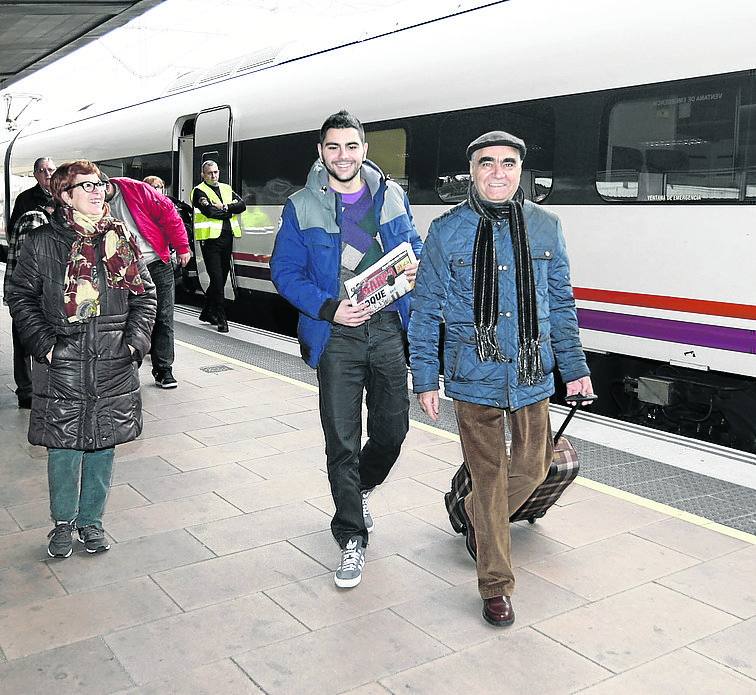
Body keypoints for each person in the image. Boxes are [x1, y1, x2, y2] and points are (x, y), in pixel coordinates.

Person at [408, 131, 594, 627]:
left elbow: (561, 303)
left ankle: (475, 512)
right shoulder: (447, 231)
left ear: (520, 170)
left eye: (508, 163)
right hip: (474, 373)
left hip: (531, 372)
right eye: (486, 163)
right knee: (490, 480)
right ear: (471, 171)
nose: (497, 172)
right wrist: (425, 378)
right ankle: (495, 585)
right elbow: (425, 310)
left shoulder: (546, 227)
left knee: (532, 469)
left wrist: (575, 368)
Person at [271, 110, 423, 588]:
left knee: (393, 431)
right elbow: (284, 272)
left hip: (388, 329)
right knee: (341, 439)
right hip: (336, 336)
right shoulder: (301, 206)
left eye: (351, 146)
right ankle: (351, 535)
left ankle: (361, 488)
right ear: (321, 152)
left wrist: (416, 266)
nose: (343, 156)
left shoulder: (391, 196)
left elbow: (413, 245)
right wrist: (329, 308)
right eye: (333, 147)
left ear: (364, 150)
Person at [6, 160, 156, 559]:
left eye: (99, 184)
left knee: (104, 444)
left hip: (112, 360)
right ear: (65, 196)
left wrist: (134, 344)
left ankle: (91, 521)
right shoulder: (41, 241)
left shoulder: (120, 237)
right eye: (85, 185)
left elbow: (145, 295)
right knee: (64, 447)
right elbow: (20, 296)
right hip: (63, 363)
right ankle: (62, 523)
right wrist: (46, 345)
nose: (97, 191)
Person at [104, 176, 190, 388]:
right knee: (126, 318)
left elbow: (169, 214)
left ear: (106, 184)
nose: (96, 195)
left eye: (98, 188)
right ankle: (129, 368)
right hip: (124, 267)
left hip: (155, 261)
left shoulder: (136, 189)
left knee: (163, 316)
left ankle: (164, 369)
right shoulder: (92, 202)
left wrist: (182, 247)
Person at [4, 201, 54, 408]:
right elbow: (31, 264)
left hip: (24, 294)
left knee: (23, 343)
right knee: (28, 343)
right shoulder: (35, 220)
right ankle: (28, 392)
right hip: (30, 296)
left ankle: (27, 391)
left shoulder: (35, 218)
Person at [190, 160, 245, 333]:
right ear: (203, 175)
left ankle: (206, 312)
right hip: (210, 241)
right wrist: (228, 212)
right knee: (217, 278)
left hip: (227, 238)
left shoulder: (226, 188)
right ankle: (222, 319)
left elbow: (242, 205)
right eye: (210, 173)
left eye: (215, 172)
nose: (213, 175)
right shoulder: (199, 191)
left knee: (221, 277)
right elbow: (210, 212)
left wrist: (225, 207)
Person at [8, 157, 56, 233]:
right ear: (35, 175)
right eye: (41, 171)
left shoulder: (67, 194)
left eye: (50, 170)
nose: (47, 174)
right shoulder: (24, 199)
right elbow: (13, 230)